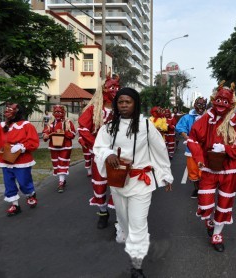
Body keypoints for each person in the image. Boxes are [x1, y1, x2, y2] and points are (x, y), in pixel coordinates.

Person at [93, 87, 173, 278]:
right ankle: (127, 237)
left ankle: (137, 266)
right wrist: (108, 153)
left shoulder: (146, 125)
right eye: (120, 102)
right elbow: (98, 147)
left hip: (141, 183)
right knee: (124, 220)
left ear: (135, 103)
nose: (124, 105)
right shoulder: (108, 127)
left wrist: (165, 174)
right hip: (118, 182)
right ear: (116, 104)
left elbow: (159, 150)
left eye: (128, 101)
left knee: (138, 223)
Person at [187, 81, 236, 252]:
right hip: (209, 168)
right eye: (219, 99)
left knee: (224, 203)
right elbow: (192, 139)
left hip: (230, 169)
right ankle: (209, 220)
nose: (222, 104)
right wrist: (199, 158)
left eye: (226, 101)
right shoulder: (206, 118)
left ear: (232, 103)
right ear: (214, 99)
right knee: (205, 202)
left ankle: (217, 234)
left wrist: (227, 149)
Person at [78, 74, 120, 229]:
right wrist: (99, 146)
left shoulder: (121, 109)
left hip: (118, 154)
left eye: (117, 88)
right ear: (103, 89)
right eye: (111, 87)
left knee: (118, 184)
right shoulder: (94, 110)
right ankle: (103, 212)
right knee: (100, 185)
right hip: (100, 154)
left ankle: (119, 215)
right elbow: (83, 129)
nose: (115, 90)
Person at [0, 102, 40, 216]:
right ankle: (15, 204)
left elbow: (33, 142)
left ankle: (30, 194)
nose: (7, 111)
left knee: (24, 181)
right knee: (8, 182)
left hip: (22, 160)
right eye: (6, 109)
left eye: (10, 109)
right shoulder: (0, 126)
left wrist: (21, 146)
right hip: (5, 159)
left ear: (18, 111)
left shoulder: (26, 125)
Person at [175, 97, 207, 198]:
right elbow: (180, 128)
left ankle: (204, 189)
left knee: (204, 170)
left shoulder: (209, 117)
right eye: (199, 105)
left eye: (203, 105)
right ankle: (197, 189)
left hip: (205, 150)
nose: (201, 107)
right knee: (193, 171)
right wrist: (189, 139)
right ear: (194, 105)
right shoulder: (187, 117)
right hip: (191, 150)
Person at [42, 105, 76, 192]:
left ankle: (60, 182)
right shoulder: (51, 123)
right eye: (56, 112)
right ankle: (62, 179)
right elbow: (45, 132)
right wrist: (45, 135)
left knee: (62, 163)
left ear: (63, 113)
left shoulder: (68, 123)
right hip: (54, 146)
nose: (57, 114)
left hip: (65, 146)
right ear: (53, 113)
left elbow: (73, 134)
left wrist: (65, 133)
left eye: (59, 112)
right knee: (56, 164)